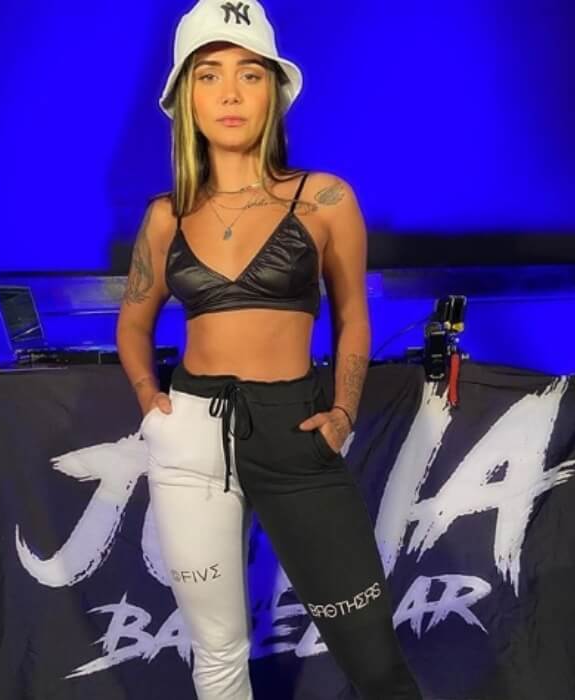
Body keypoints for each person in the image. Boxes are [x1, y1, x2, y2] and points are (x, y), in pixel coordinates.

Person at [116, 1, 422, 698]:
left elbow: (353, 316)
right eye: (209, 75)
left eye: (249, 75)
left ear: (274, 93)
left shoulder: (325, 199)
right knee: (218, 653)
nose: (229, 93)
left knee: (372, 656)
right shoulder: (165, 216)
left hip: (295, 430)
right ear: (186, 98)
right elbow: (132, 324)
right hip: (190, 438)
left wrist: (342, 412)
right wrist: (149, 400)